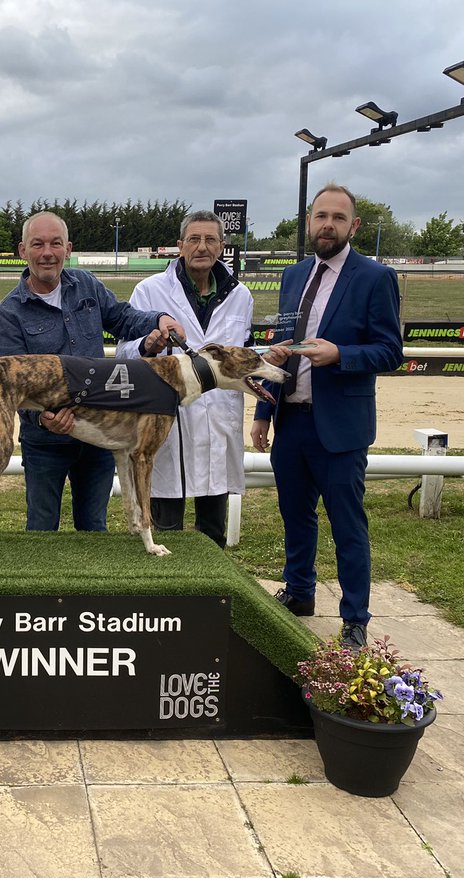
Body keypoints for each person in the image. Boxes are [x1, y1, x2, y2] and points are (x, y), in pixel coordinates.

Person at [250, 184, 403, 651]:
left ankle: (355, 618)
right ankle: (299, 593)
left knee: (347, 526)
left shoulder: (375, 277)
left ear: (353, 226)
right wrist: (263, 410)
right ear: (309, 222)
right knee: (295, 517)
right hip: (291, 420)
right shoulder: (293, 275)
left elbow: (391, 350)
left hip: (340, 427)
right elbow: (283, 345)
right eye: (321, 216)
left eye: (338, 217)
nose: (328, 224)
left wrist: (341, 354)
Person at [0, 210, 186, 532]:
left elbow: (123, 317)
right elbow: (13, 387)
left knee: (94, 528)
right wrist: (43, 418)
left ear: (68, 249)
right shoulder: (9, 313)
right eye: (37, 244)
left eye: (56, 244)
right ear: (22, 250)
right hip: (45, 442)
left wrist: (158, 320)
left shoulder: (85, 285)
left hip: (98, 433)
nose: (47, 253)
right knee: (41, 529)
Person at [116, 210, 255, 548]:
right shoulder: (150, 291)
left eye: (210, 240)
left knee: (212, 534)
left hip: (219, 422)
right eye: (194, 239)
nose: (201, 247)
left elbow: (242, 357)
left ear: (222, 246)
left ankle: (214, 594)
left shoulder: (241, 296)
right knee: (167, 530)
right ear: (180, 246)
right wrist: (148, 344)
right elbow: (123, 354)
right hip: (168, 423)